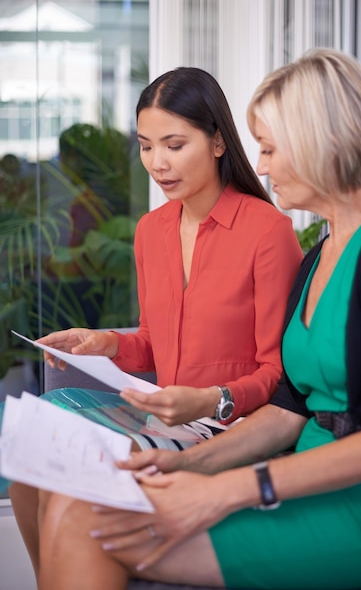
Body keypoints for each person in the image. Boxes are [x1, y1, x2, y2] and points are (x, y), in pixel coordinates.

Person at [21, 48, 361, 590]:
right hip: (290, 471)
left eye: (272, 148)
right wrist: (186, 468)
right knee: (67, 492)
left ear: (320, 142)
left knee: (90, 521)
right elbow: (289, 409)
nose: (261, 164)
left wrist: (224, 485)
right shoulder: (321, 254)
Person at [34, 67, 301, 431]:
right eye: (146, 146)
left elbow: (280, 372)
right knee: (39, 443)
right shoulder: (150, 230)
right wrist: (105, 344)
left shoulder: (268, 232)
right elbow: (153, 342)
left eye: (174, 146)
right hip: (165, 424)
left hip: (237, 430)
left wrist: (214, 399)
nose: (157, 163)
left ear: (218, 142)